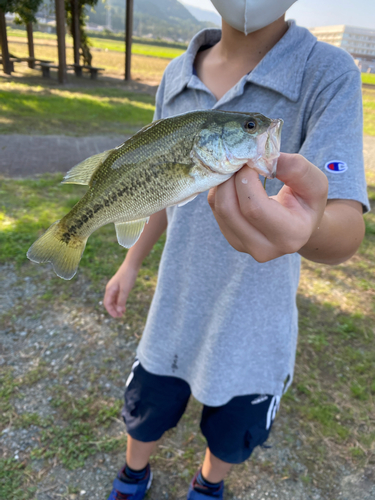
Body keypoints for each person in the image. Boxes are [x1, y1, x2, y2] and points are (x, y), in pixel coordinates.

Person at [104, 1, 370, 499]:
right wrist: (130, 260)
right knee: (144, 411)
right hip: (173, 310)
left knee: (232, 433)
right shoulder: (173, 75)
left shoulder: (329, 73)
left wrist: (306, 226)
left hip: (255, 327)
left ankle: (208, 485)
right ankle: (133, 474)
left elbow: (347, 223)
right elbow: (156, 191)